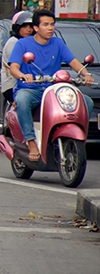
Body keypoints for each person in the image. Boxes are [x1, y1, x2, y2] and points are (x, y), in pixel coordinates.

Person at [8, 9, 95, 162]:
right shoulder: (23, 44)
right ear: (36, 28)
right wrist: (23, 75)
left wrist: (85, 74)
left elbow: (73, 62)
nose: (50, 28)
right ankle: (31, 141)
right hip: (32, 89)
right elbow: (13, 67)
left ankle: (74, 139)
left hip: (54, 89)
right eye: (46, 25)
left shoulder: (58, 43)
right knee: (22, 100)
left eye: (52, 24)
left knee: (86, 101)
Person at [1, 11, 34, 106]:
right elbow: (18, 66)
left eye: (30, 27)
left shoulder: (29, 42)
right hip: (13, 86)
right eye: (25, 26)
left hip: (28, 85)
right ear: (17, 27)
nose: (28, 30)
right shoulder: (14, 42)